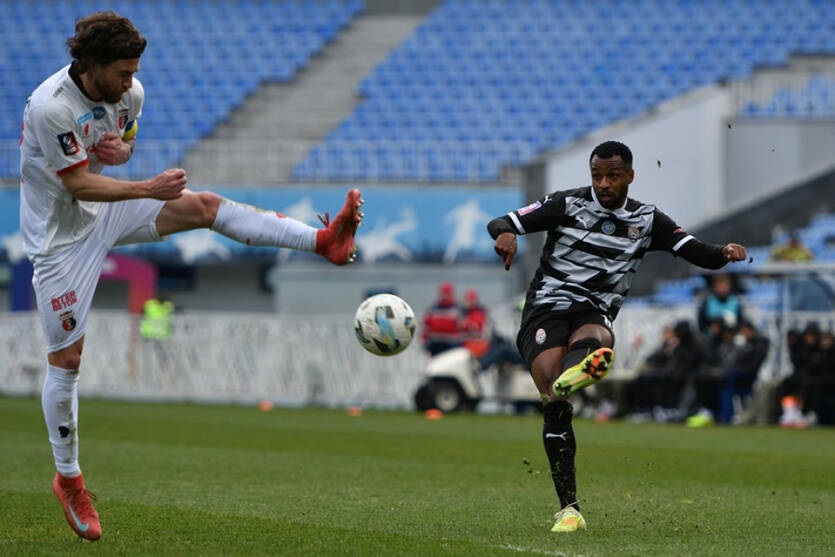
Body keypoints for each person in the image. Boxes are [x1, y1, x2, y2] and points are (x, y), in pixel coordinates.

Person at [20, 12, 363, 541]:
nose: (130, 83)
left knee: (203, 206)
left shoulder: (130, 93)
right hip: (59, 240)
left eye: (135, 72)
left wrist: (124, 151)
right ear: (92, 65)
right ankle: (69, 480)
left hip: (105, 211)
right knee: (66, 361)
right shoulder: (52, 108)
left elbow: (125, 139)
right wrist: (146, 186)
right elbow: (79, 185)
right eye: (122, 73)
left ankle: (323, 242)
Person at [487, 140, 747, 532]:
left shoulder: (646, 220)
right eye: (597, 176)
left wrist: (724, 252)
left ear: (630, 176)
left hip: (595, 308)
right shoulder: (565, 204)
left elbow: (696, 251)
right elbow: (502, 221)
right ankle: (569, 505)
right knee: (552, 391)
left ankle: (577, 374)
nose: (604, 184)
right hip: (547, 306)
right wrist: (506, 234)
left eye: (612, 176)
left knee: (596, 335)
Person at [696, 272, 745, 340]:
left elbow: (741, 322)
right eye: (719, 284)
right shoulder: (707, 302)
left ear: (729, 285)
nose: (722, 287)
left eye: (724, 284)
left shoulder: (735, 301)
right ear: (714, 286)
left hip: (731, 338)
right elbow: (701, 325)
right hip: (711, 339)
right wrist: (710, 330)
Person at [420, 281, 463, 356]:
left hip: (452, 345)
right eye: (443, 294)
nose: (445, 296)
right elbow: (426, 327)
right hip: (435, 344)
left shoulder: (458, 309)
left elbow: (463, 327)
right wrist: (425, 341)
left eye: (448, 294)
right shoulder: (433, 309)